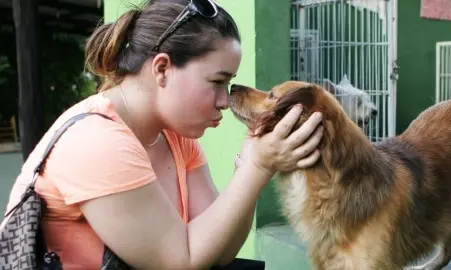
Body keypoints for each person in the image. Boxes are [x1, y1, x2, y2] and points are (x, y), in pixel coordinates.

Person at [4, 0, 324, 269]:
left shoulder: (175, 137)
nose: (225, 100)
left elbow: (221, 250)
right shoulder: (97, 141)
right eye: (216, 81)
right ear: (161, 69)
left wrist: (255, 160)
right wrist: (257, 167)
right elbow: (180, 260)